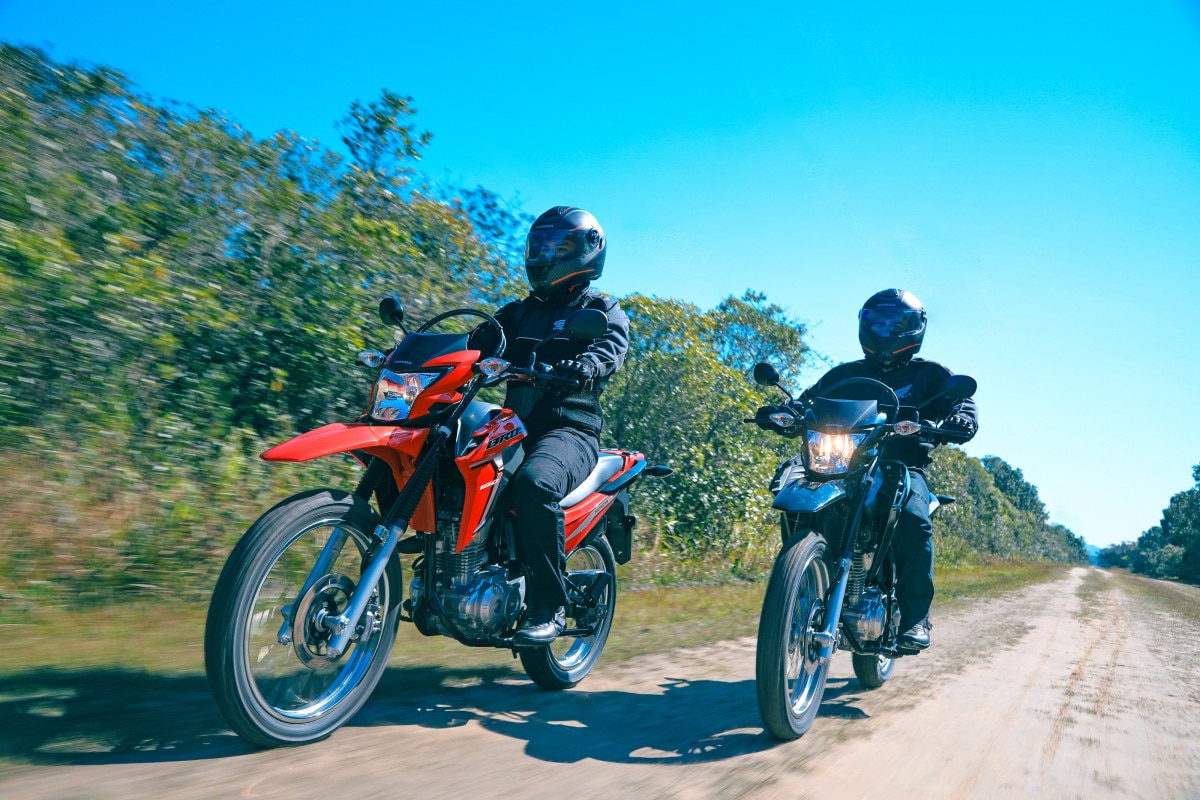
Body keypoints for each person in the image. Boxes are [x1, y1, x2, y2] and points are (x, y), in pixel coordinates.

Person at [764, 289, 977, 651]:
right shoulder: (846, 374)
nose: (885, 330)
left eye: (895, 323)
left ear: (914, 329)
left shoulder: (929, 375)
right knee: (787, 485)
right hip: (839, 465)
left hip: (900, 465)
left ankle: (914, 618)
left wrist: (959, 419)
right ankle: (798, 587)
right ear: (864, 325)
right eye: (877, 322)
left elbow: (962, 401)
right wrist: (781, 412)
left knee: (913, 517)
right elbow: (805, 402)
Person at [479, 206, 630, 645]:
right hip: (510, 426)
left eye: (558, 247)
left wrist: (586, 364)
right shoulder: (513, 314)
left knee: (534, 485)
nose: (544, 255)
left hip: (568, 429)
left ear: (587, 251)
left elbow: (611, 346)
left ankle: (549, 604)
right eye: (539, 246)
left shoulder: (600, 309)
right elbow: (469, 345)